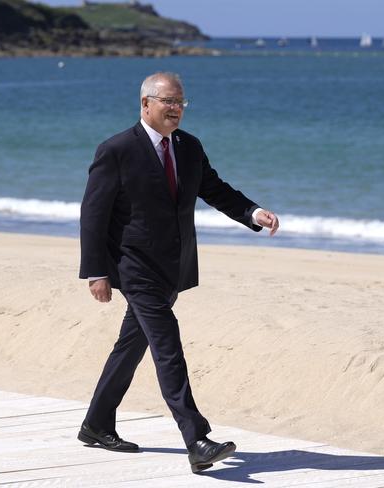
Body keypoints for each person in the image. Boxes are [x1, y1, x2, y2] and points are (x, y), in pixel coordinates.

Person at [77, 72, 279, 474]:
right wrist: (95, 271)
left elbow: (215, 189)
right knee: (167, 345)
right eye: (168, 102)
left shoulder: (188, 147)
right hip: (133, 266)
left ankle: (96, 424)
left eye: (181, 103)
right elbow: (93, 214)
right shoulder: (116, 149)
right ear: (146, 103)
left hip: (173, 265)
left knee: (130, 347)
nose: (176, 109)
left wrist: (252, 213)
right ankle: (197, 439)